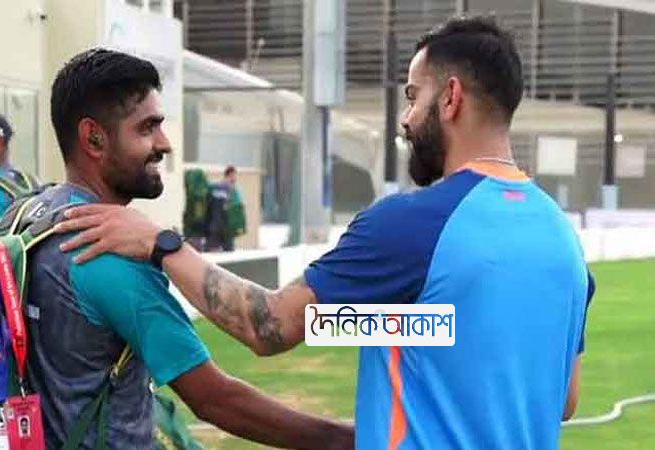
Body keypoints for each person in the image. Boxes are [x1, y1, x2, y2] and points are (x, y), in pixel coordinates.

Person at [56, 16, 595, 450]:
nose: (406, 118)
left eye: (413, 96)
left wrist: (160, 243)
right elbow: (564, 399)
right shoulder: (563, 240)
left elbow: (268, 326)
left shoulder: (411, 224)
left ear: (450, 98)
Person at [18, 48, 352, 449]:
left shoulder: (26, 215)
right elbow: (214, 399)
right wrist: (346, 440)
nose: (164, 144)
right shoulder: (105, 254)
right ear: (94, 138)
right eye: (147, 128)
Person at [205, 165, 245, 251]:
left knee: (212, 252)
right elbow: (238, 208)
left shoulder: (213, 187)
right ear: (230, 175)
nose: (235, 178)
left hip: (213, 227)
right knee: (229, 253)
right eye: (234, 176)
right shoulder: (232, 190)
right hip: (227, 228)